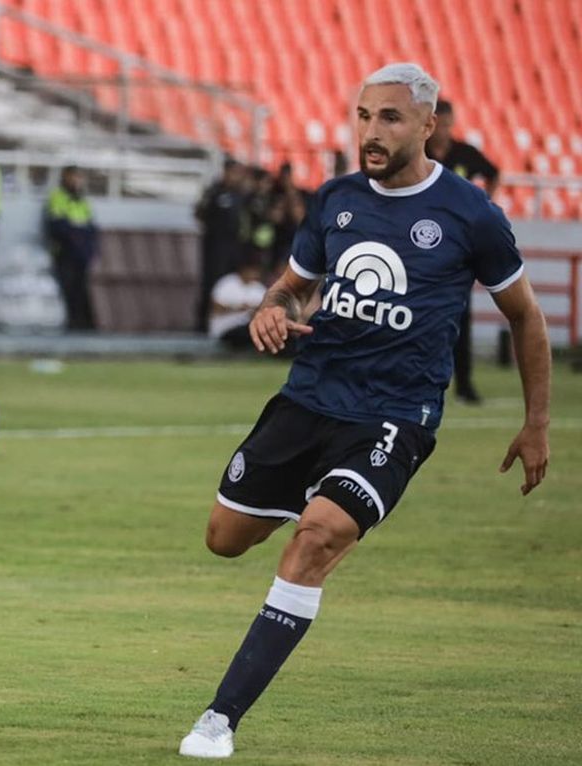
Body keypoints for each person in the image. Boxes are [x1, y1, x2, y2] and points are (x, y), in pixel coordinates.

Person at [177, 63, 551, 759]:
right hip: (308, 398)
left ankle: (218, 719)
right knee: (224, 538)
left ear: (428, 126)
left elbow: (525, 316)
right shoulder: (336, 199)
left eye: (390, 118)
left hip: (395, 414)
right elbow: (291, 286)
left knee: (315, 538)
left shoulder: (470, 214)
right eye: (363, 115)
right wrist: (271, 310)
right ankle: (325, 507)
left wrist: (536, 423)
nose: (371, 131)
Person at [428, 99, 501, 405]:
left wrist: (485, 204)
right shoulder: (418, 152)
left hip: (458, 243)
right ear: (431, 123)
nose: (445, 130)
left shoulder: (464, 154)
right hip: (423, 241)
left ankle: (464, 384)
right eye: (441, 124)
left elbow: (493, 172)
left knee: (460, 314)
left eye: (449, 124)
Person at [195, 158, 248, 333]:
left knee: (230, 281)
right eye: (233, 173)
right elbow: (200, 214)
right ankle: (203, 322)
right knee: (212, 281)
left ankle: (229, 322)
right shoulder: (214, 192)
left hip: (234, 244)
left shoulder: (241, 194)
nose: (236, 177)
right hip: (215, 245)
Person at [45, 165, 98, 331]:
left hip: (82, 252)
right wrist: (76, 233)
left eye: (79, 177)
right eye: (73, 176)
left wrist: (89, 246)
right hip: (65, 251)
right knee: (67, 287)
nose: (76, 180)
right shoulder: (57, 197)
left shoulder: (83, 200)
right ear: (65, 177)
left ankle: (82, 323)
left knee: (81, 288)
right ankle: (70, 322)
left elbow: (91, 226)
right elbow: (57, 225)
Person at [207, 251, 267, 350]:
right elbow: (215, 308)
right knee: (247, 332)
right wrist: (238, 308)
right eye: (252, 271)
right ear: (244, 270)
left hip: (249, 328)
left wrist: (255, 311)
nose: (255, 274)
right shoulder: (227, 283)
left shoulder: (259, 288)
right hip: (226, 329)